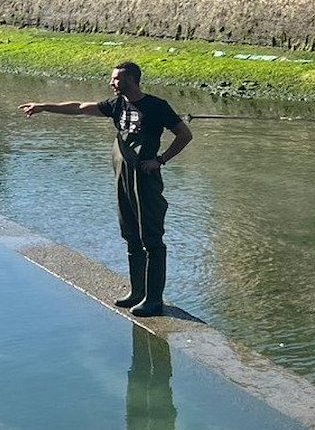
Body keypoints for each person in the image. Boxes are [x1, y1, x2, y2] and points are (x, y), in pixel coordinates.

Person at [20, 62, 193, 316]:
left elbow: (184, 135)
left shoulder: (157, 106)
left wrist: (160, 160)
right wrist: (45, 107)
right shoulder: (116, 105)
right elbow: (79, 107)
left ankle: (154, 299)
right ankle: (137, 292)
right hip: (123, 176)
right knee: (131, 234)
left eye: (116, 79)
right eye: (112, 79)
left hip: (145, 179)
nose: (112, 83)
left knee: (151, 238)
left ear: (132, 80)